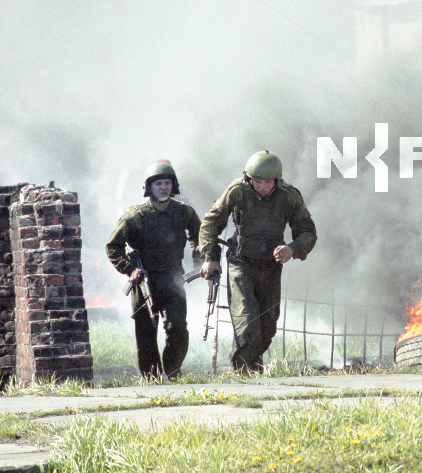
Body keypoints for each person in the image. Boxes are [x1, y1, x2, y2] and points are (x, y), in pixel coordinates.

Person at [198, 150, 317, 374]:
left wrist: (292, 249)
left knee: (268, 325)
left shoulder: (289, 196)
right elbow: (210, 223)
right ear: (248, 178)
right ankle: (243, 372)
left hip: (271, 267)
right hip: (241, 263)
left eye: (267, 182)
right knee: (247, 320)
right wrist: (210, 258)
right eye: (257, 181)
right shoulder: (237, 192)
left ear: (277, 180)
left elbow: (308, 232)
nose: (262, 186)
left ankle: (250, 365)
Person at [106, 160, 201, 380]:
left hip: (173, 278)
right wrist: (130, 270)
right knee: (146, 334)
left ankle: (173, 373)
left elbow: (200, 236)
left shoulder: (183, 212)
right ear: (149, 187)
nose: (163, 188)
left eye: (167, 183)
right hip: (143, 281)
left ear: (173, 186)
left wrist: (200, 260)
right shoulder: (135, 216)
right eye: (158, 183)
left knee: (178, 330)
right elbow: (113, 247)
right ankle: (153, 380)